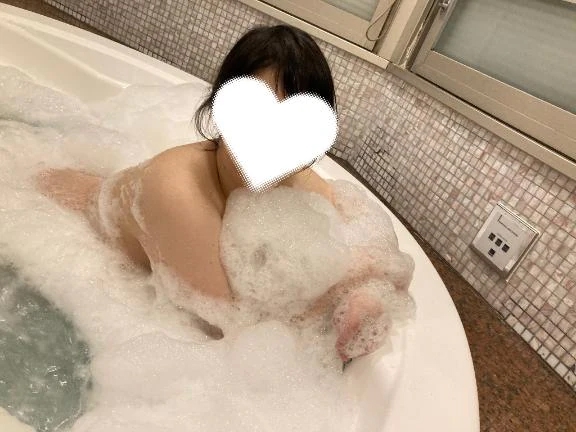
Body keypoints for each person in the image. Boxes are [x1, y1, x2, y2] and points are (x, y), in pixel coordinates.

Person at [36, 25, 387, 362]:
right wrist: (343, 293)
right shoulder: (175, 189)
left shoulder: (297, 179)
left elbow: (365, 242)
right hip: (52, 209)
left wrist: (362, 297)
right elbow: (233, 323)